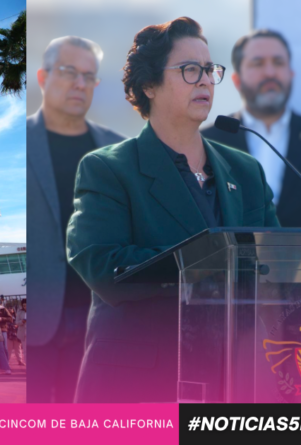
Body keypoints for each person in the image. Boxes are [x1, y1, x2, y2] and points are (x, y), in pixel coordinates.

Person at [67, 17, 279, 403]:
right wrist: (207, 269)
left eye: (210, 70)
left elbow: (276, 265)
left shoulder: (246, 170)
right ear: (148, 85)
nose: (205, 80)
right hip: (140, 384)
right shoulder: (108, 168)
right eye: (189, 70)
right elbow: (100, 263)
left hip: (241, 382)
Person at [28, 35, 126, 403]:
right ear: (42, 77)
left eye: (90, 76)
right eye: (69, 72)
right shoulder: (18, 143)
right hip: (39, 318)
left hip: (100, 317)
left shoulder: (118, 151)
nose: (80, 83)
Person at [202, 29, 301, 227]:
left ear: (291, 74)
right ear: (236, 80)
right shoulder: (206, 142)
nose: (270, 72)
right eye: (258, 63)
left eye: (278, 62)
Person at [15, 299, 27, 365]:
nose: (25, 307)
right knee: (25, 350)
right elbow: (17, 322)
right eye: (24, 306)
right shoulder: (20, 312)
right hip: (23, 333)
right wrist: (22, 321)